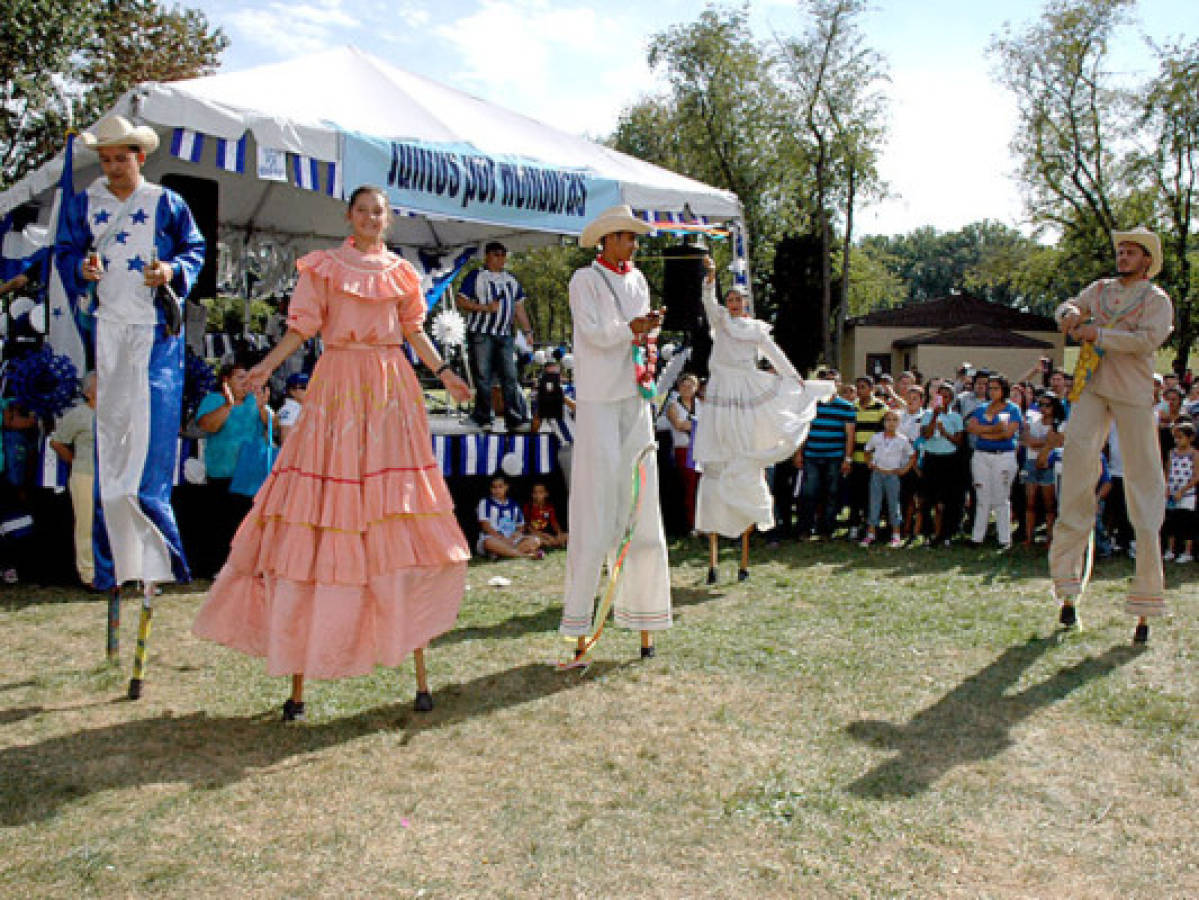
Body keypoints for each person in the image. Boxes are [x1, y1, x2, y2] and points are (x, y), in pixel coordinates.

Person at [193, 185, 473, 719]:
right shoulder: (324, 266)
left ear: (388, 220)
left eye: (380, 212)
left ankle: (410, 650)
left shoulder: (402, 272)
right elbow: (301, 329)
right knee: (325, 509)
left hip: (391, 386)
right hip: (339, 382)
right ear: (350, 215)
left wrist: (444, 373)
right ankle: (300, 678)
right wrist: (265, 369)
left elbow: (414, 330)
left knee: (394, 507)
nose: (371, 218)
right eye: (363, 210)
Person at [54, 114, 205, 699]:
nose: (115, 166)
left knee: (145, 460)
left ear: (140, 157)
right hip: (109, 335)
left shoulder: (166, 203)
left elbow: (194, 250)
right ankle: (113, 564)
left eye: (124, 156)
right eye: (108, 157)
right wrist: (79, 269)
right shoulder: (82, 203)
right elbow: (65, 255)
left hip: (154, 339)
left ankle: (154, 555)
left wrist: (171, 269)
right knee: (111, 451)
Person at [1051, 226, 1174, 643]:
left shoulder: (1156, 300)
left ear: (1146, 260)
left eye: (1130, 252)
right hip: (1092, 387)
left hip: (1134, 394)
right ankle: (1067, 591)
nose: (1122, 257)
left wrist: (1098, 334)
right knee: (1076, 472)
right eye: (1120, 251)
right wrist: (1068, 314)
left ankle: (1145, 605)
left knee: (1143, 485)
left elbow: (1147, 341)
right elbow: (1071, 305)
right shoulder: (1100, 289)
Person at [559, 204, 671, 662]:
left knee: (642, 499)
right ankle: (580, 624)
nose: (631, 243)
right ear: (605, 239)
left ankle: (644, 618)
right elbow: (592, 333)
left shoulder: (638, 280)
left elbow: (636, 337)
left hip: (635, 395)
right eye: (624, 236)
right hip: (599, 399)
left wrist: (647, 334)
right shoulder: (584, 280)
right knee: (596, 502)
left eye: (634, 236)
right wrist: (632, 329)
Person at [693, 256, 828, 583]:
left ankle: (743, 543)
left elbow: (775, 356)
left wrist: (795, 379)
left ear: (747, 304)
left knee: (748, 436)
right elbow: (708, 301)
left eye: (738, 300)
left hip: (746, 385)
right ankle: (713, 552)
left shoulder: (755, 330)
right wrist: (710, 277)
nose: (733, 304)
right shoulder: (721, 322)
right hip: (723, 386)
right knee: (720, 440)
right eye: (731, 299)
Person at [194, 361, 272, 577]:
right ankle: (222, 567)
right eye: (240, 378)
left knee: (249, 521)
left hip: (251, 473)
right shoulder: (214, 400)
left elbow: (272, 425)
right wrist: (228, 405)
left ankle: (250, 565)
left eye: (248, 379)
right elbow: (208, 425)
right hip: (223, 472)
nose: (245, 383)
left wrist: (262, 408)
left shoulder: (253, 402)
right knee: (223, 522)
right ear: (225, 380)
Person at [457, 241, 535, 432]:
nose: (501, 258)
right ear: (487, 256)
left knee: (510, 376)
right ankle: (484, 418)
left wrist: (527, 332)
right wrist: (484, 308)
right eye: (496, 254)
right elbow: (461, 300)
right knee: (483, 376)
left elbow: (519, 307)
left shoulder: (511, 280)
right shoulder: (476, 276)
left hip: (505, 334)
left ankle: (515, 419)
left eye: (503, 254)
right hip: (481, 332)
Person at [49, 373, 98, 588]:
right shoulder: (79, 415)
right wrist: (73, 460)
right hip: (85, 475)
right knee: (86, 524)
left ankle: (110, 569)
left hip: (110, 476)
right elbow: (57, 441)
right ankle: (88, 574)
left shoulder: (114, 413)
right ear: (88, 393)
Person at [964, 375, 1022, 549]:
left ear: (1003, 390)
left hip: (1003, 455)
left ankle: (1004, 538)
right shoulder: (982, 408)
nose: (992, 391)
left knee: (1001, 497)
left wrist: (985, 432)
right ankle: (977, 537)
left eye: (996, 388)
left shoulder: (1012, 409)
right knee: (982, 496)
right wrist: (993, 430)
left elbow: (1007, 433)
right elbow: (972, 428)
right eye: (990, 388)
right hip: (982, 455)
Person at [796, 377, 857, 540]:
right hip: (812, 456)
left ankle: (827, 530)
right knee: (808, 493)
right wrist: (799, 453)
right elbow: (804, 431)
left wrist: (847, 459)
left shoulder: (846, 407)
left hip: (834, 457)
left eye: (834, 382)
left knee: (832, 494)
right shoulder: (812, 404)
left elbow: (850, 435)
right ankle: (806, 529)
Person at [860, 410, 916, 548]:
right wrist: (869, 463)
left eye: (894, 420)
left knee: (893, 504)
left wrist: (904, 469)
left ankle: (896, 535)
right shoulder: (877, 437)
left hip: (893, 475)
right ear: (884, 422)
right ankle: (871, 534)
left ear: (898, 423)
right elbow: (867, 451)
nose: (891, 423)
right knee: (874, 503)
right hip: (877, 474)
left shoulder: (902, 440)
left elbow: (912, 455)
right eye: (888, 420)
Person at [921, 383, 966, 547]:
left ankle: (946, 534)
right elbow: (926, 435)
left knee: (947, 500)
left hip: (949, 460)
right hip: (932, 458)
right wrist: (934, 417)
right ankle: (930, 533)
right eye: (940, 396)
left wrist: (945, 432)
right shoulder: (927, 414)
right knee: (930, 500)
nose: (943, 400)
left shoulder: (955, 417)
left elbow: (959, 441)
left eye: (947, 396)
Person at [1021, 393, 1065, 547]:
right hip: (1031, 462)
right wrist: (1045, 442)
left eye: (1048, 405)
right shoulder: (1034, 420)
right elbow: (1027, 441)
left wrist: (1038, 442)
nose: (1044, 408)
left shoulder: (1060, 424)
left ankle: (1050, 537)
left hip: (1049, 464)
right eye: (1041, 405)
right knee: (1030, 502)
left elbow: (1058, 442)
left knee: (1050, 504)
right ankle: (1028, 537)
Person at [848, 376, 888, 539]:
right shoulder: (852, 407)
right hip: (856, 460)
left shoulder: (881, 408)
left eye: (863, 387)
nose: (859, 390)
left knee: (872, 496)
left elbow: (882, 435)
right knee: (855, 496)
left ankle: (870, 527)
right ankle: (854, 526)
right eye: (857, 387)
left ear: (871, 389)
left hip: (872, 462)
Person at [664, 373, 701, 535]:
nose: (687, 389)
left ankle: (702, 522)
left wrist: (692, 424)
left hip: (700, 450)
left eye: (690, 386)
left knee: (702, 487)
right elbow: (678, 425)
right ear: (678, 388)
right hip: (684, 450)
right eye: (683, 386)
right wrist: (697, 424)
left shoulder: (700, 403)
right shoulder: (673, 406)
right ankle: (690, 523)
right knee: (689, 487)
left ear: (696, 388)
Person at [476, 474, 542, 559]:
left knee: (536, 540)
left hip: (512, 540)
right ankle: (524, 555)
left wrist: (516, 534)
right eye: (494, 487)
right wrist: (501, 538)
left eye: (500, 487)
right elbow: (485, 526)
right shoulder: (485, 502)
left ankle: (503, 553)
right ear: (490, 489)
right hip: (494, 538)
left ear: (506, 487)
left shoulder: (513, 504)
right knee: (488, 542)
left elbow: (520, 526)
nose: (497, 490)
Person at [1162, 421, 1197, 565]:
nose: (1177, 440)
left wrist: (1183, 490)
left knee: (1186, 522)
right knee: (1171, 522)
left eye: (1180, 437)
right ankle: (1170, 550)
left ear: (1190, 438)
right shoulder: (1172, 453)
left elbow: (1196, 476)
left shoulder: (1195, 454)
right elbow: (1167, 471)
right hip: (1172, 493)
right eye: (1175, 437)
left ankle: (1187, 552)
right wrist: (1167, 488)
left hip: (1187, 494)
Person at [524, 481, 568, 550]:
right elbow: (527, 526)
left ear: (546, 494)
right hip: (534, 534)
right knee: (539, 541)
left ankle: (553, 543)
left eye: (541, 492)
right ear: (532, 495)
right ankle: (550, 543)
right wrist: (544, 535)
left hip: (548, 533)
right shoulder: (528, 507)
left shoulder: (549, 508)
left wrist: (559, 534)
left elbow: (554, 523)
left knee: (567, 536)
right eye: (535, 493)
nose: (538, 495)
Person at [277, 371, 309, 443]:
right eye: (304, 387)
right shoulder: (290, 410)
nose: (309, 390)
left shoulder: (299, 408)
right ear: (292, 391)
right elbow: (286, 441)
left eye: (311, 386)